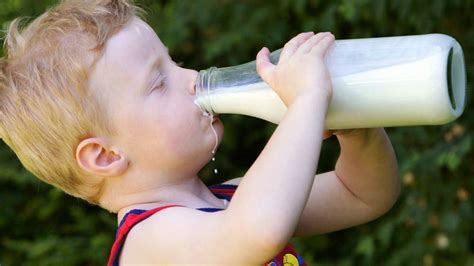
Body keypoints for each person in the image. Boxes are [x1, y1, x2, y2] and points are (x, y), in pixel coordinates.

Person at [0, 0, 400, 265]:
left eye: (174, 62)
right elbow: (257, 229)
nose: (192, 78)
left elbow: (363, 194)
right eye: (158, 82)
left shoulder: (233, 200)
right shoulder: (149, 241)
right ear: (106, 156)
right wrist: (306, 101)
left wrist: (357, 134)